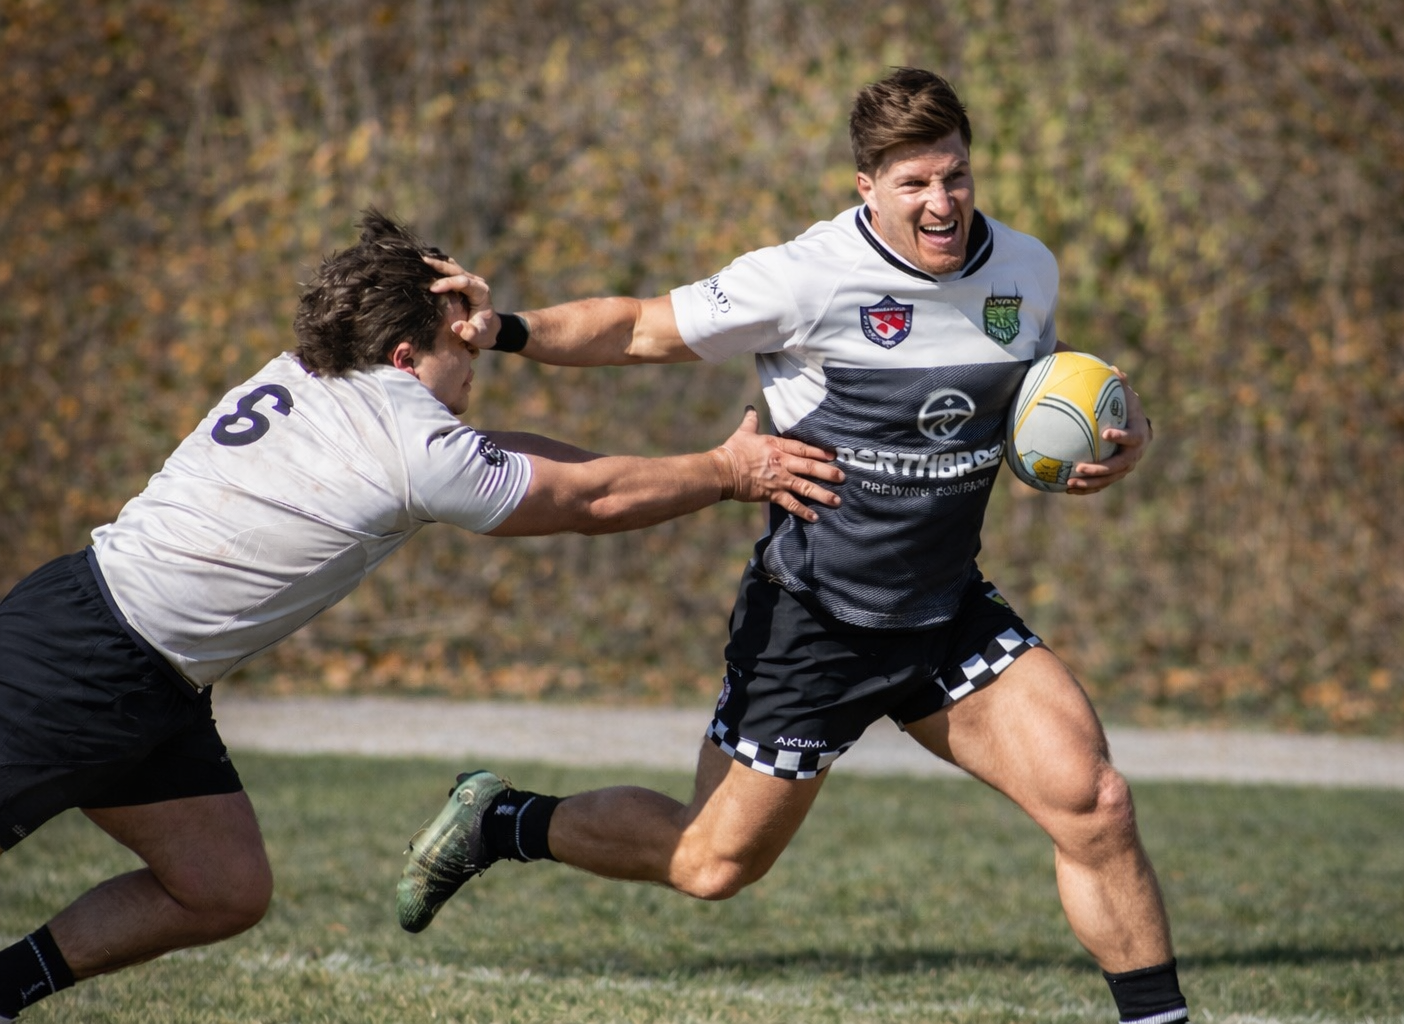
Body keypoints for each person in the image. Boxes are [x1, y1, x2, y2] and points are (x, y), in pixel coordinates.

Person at [398, 68, 1186, 1024]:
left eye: (956, 176)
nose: (942, 203)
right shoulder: (808, 276)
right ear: (867, 186)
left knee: (1093, 802)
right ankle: (504, 821)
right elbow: (643, 328)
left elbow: (1055, 394)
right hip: (813, 622)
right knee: (710, 863)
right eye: (915, 184)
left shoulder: (1026, 267)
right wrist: (507, 330)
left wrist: (1122, 425)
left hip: (944, 610)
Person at [0, 210, 842, 1022]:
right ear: (407, 356)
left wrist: (684, 464)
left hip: (146, 669)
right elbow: (594, 500)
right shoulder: (411, 444)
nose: (473, 362)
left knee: (219, 887)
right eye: (457, 344)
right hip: (81, 663)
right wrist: (728, 472)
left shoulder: (311, 371)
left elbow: (522, 461)